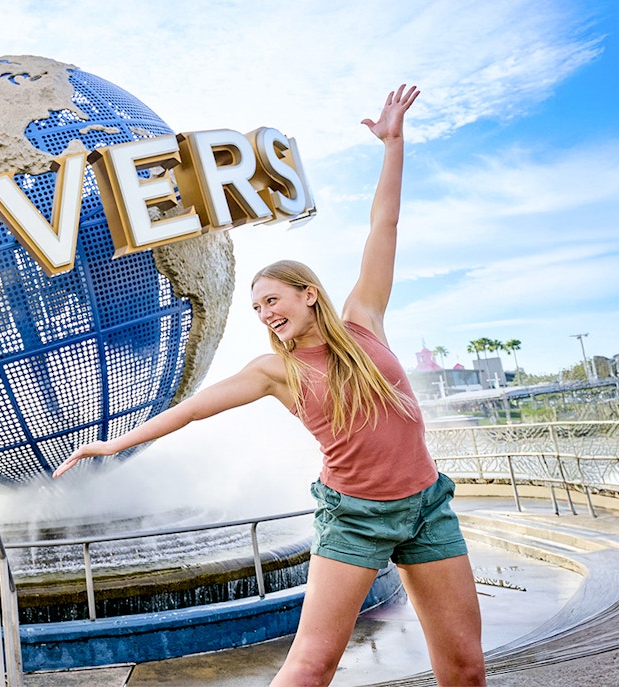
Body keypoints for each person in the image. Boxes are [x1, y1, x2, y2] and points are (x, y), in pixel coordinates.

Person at [54, 86, 486, 686]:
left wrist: (393, 143)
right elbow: (190, 411)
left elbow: (384, 221)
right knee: (312, 665)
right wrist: (110, 444)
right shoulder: (272, 371)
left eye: (273, 300)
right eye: (257, 307)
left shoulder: (366, 319)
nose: (265, 313)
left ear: (308, 294)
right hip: (355, 518)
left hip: (427, 507)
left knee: (465, 668)